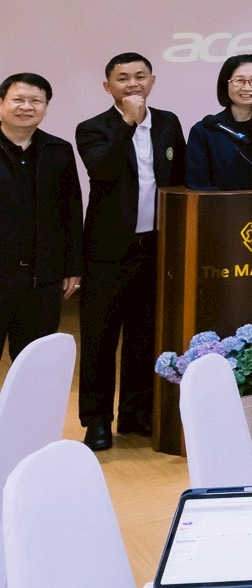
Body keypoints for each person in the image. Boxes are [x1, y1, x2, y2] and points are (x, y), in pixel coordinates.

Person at [75, 53, 183, 446]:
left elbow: (179, 178)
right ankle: (97, 420)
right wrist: (127, 122)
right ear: (108, 87)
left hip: (155, 246)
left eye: (140, 76)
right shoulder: (92, 128)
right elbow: (102, 170)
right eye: (123, 78)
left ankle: (137, 415)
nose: (133, 84)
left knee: (145, 335)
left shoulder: (168, 123)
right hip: (107, 251)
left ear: (152, 81)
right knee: (100, 338)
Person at [0, 74, 82, 365]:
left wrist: (73, 266)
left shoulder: (58, 150)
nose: (26, 107)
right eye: (18, 99)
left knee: (33, 364)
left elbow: (72, 210)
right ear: (1, 103)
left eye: (36, 101)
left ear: (46, 107)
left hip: (41, 279)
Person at [186, 55, 252, 190]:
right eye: (239, 81)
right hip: (222, 203)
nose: (247, 87)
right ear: (226, 84)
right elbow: (197, 184)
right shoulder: (205, 130)